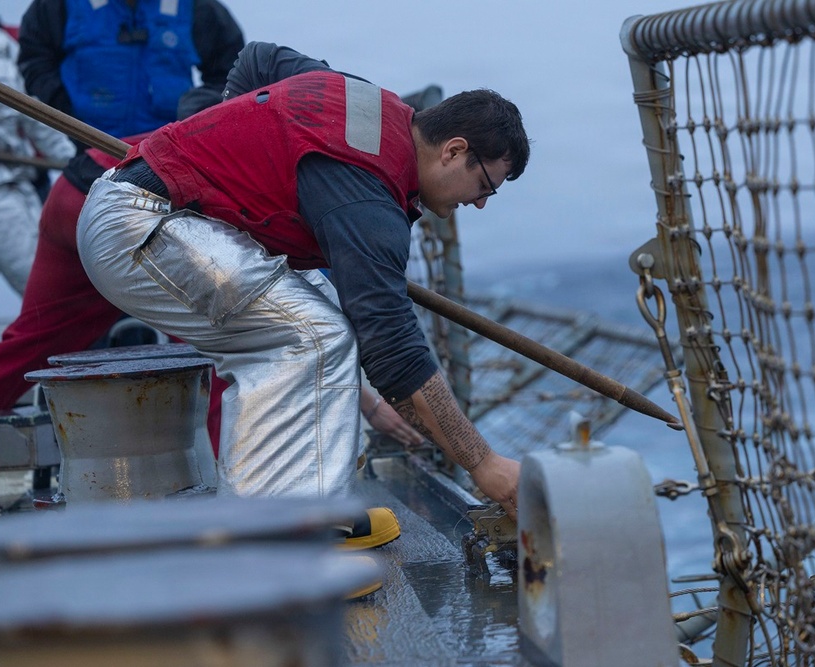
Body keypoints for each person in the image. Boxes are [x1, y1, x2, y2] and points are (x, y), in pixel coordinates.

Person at [76, 41, 529, 517]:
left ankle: (303, 507)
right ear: (454, 151)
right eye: (486, 187)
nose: (480, 203)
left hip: (156, 213)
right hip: (139, 227)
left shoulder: (366, 101)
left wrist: (231, 151)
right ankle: (277, 533)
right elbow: (393, 351)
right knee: (317, 337)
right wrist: (484, 464)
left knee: (323, 303)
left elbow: (259, 59)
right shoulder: (368, 203)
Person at [17, 0, 243, 144]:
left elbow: (232, 75)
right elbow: (34, 59)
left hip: (169, 159)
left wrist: (198, 116)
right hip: (83, 153)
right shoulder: (58, 6)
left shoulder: (197, 8)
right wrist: (65, 111)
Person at [0, 11, 74, 301]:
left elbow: (29, 112)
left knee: (43, 295)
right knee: (45, 296)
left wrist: (73, 164)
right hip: (3, 192)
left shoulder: (0, 47)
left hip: (3, 191)